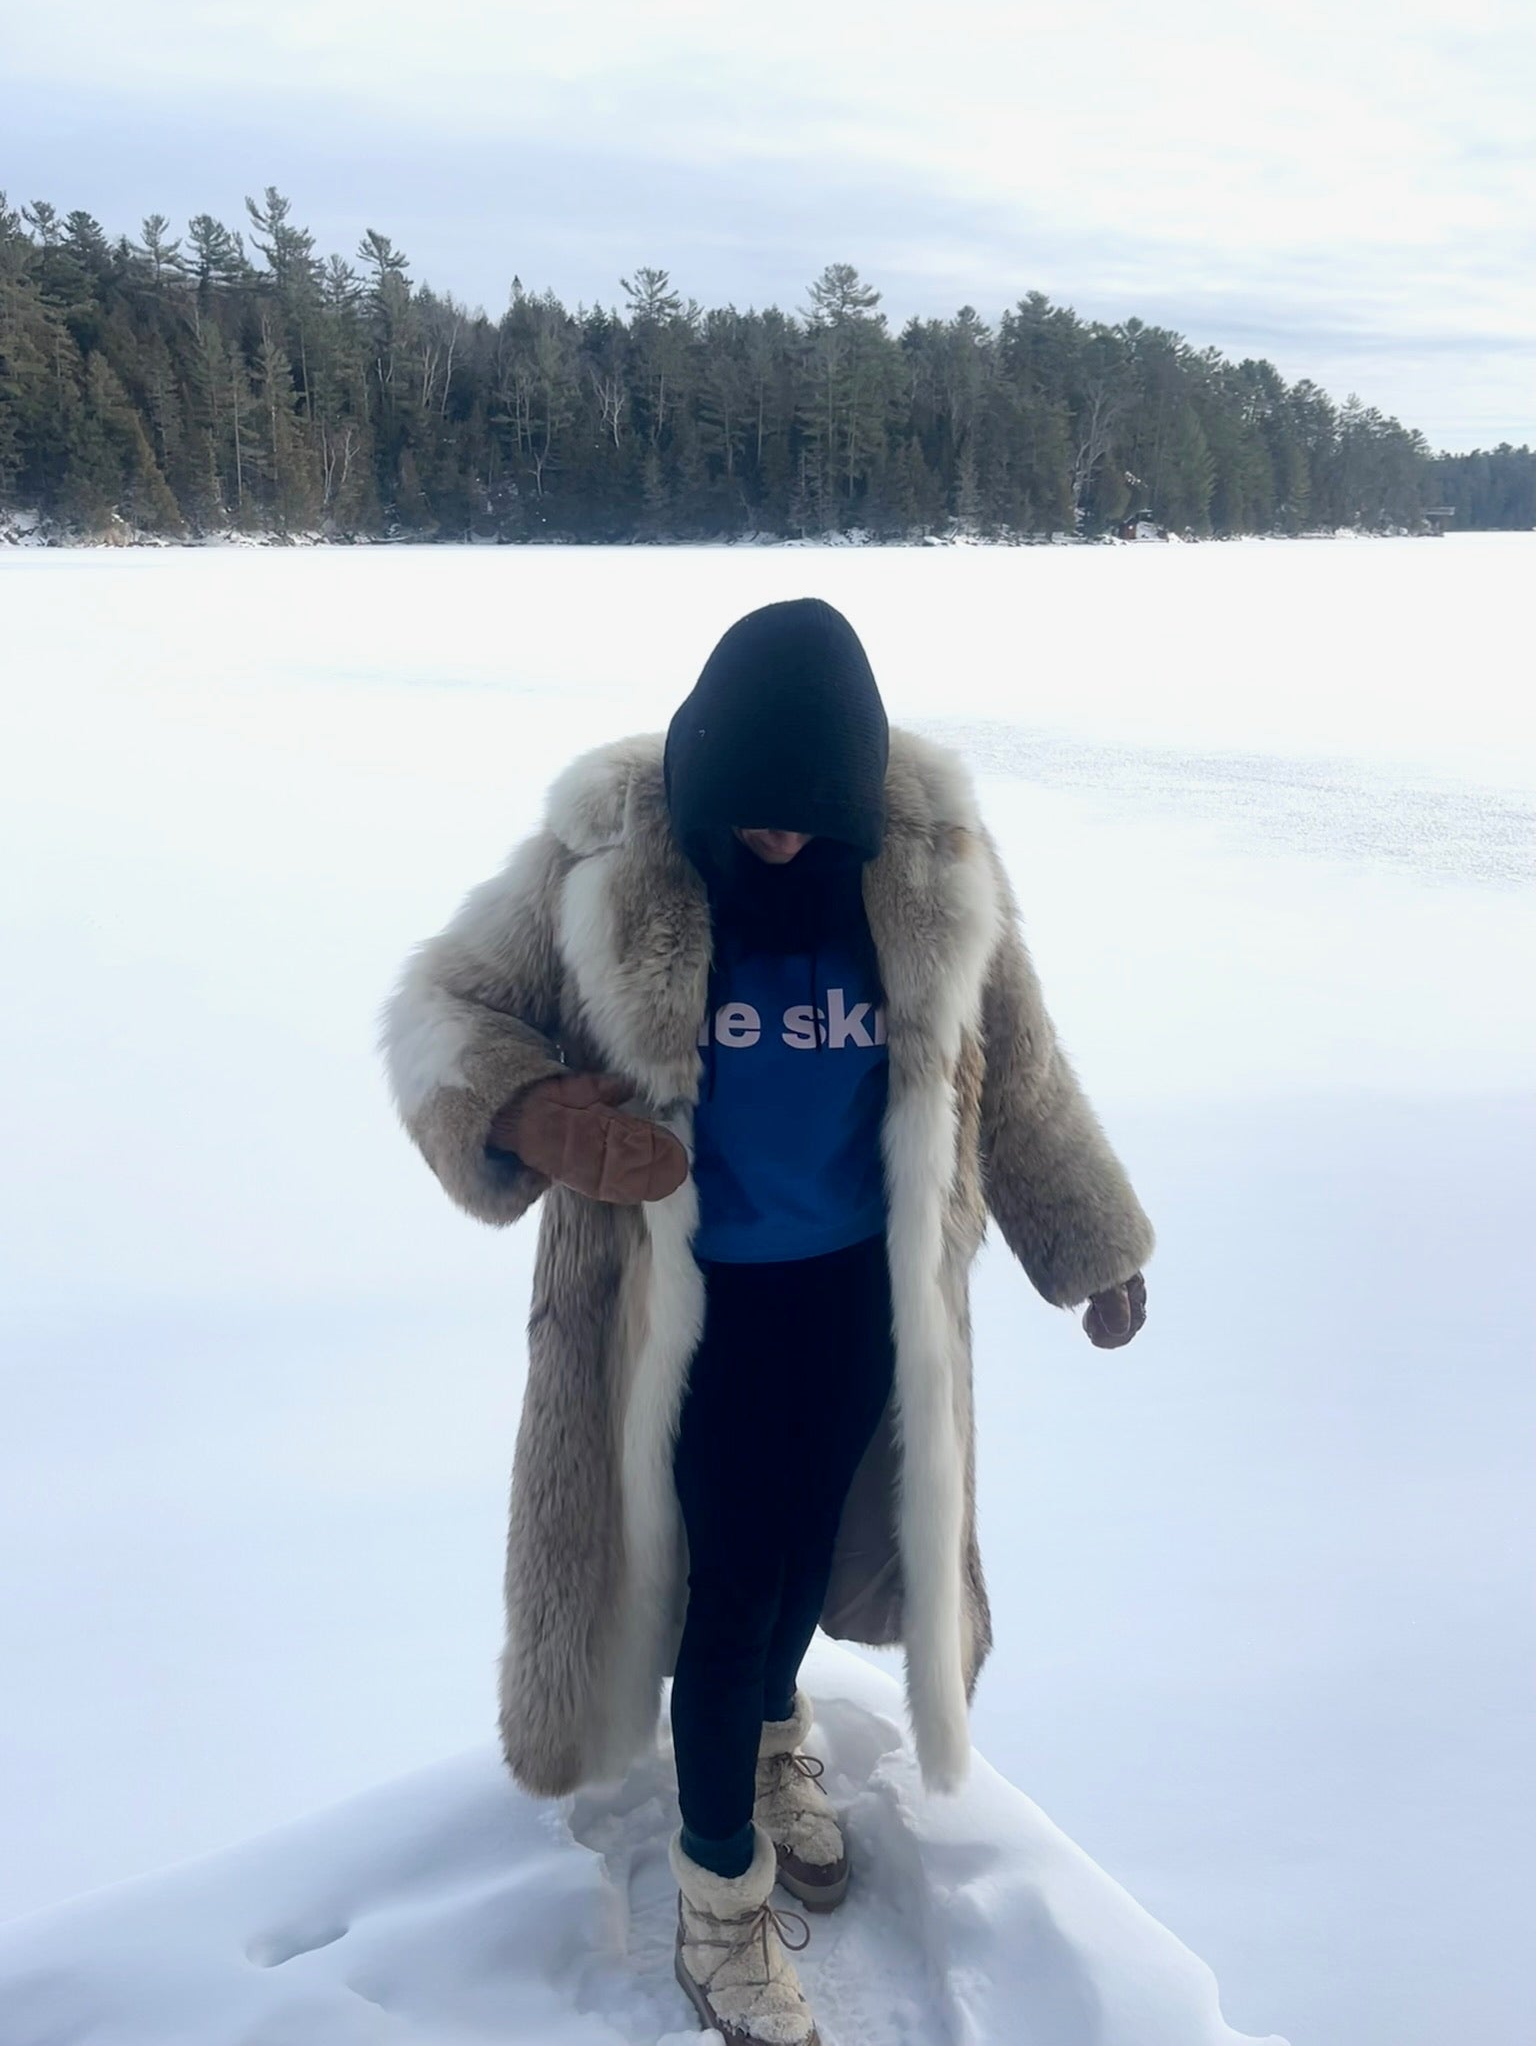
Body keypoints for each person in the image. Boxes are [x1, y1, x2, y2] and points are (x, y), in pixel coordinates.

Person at [383, 598, 1152, 2046]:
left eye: (811, 820)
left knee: (801, 1555)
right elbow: (442, 1008)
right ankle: (718, 1901)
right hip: (676, 1316)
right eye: (754, 818)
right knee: (737, 1592)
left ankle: (772, 1736)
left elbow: (1021, 1072)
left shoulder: (930, 867)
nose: (782, 843)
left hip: (861, 1298)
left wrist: (1092, 1245)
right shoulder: (607, 853)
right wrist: (528, 1108)